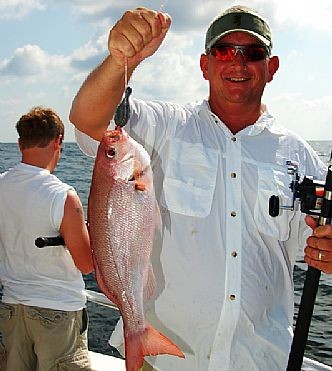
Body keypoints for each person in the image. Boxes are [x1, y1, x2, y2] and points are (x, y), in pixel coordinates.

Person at [69, 5, 332, 371]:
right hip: (165, 361)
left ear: (270, 68)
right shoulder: (165, 126)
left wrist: (326, 251)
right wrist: (119, 61)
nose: (238, 64)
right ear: (204, 65)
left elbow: (314, 246)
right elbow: (87, 120)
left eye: (253, 54)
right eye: (224, 51)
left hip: (261, 360)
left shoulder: (300, 155)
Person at [0, 107, 94, 371]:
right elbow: (86, 264)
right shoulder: (62, 196)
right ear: (58, 141)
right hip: (57, 312)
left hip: (11, 309)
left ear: (20, 143)